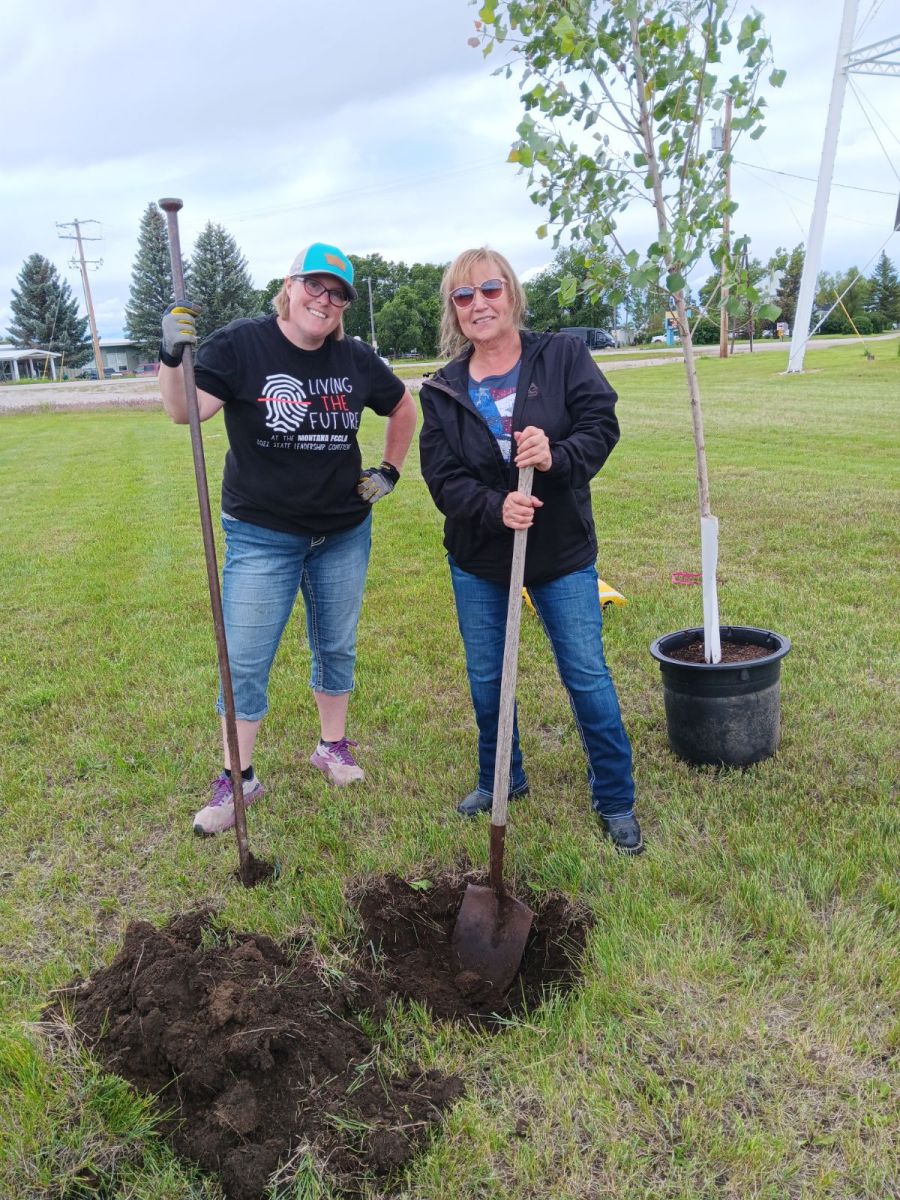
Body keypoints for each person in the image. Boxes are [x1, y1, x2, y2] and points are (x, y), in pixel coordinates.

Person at [158, 243, 417, 836]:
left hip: (343, 530)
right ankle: (239, 777)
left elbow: (403, 407)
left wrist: (389, 471)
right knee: (245, 658)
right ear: (290, 285)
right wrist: (172, 357)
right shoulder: (243, 344)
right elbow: (185, 412)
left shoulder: (354, 358)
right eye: (315, 286)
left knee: (337, 644)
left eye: (337, 293)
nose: (323, 301)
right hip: (262, 533)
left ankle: (332, 747)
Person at [418, 248, 642, 854]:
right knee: (489, 680)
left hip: (560, 553)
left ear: (511, 294)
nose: (478, 305)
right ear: (455, 312)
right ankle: (502, 780)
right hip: (480, 557)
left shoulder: (563, 356)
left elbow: (601, 424)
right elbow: (441, 476)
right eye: (464, 297)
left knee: (587, 676)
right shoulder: (442, 389)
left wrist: (555, 456)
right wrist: (496, 508)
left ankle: (615, 798)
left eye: (489, 290)